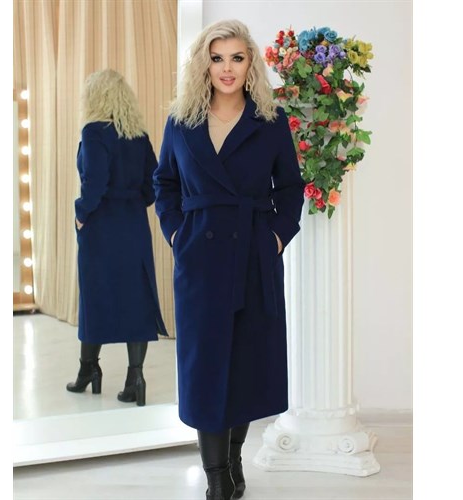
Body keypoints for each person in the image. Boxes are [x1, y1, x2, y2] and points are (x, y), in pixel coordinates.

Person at [153, 20, 305, 500]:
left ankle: (235, 460)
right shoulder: (181, 121)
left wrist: (275, 238)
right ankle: (216, 477)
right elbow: (164, 183)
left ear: (250, 63)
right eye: (217, 58)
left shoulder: (271, 121)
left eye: (236, 58)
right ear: (203, 63)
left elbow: (291, 187)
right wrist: (177, 233)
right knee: (205, 368)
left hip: (254, 256)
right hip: (200, 258)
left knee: (244, 365)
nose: (226, 68)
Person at [67, 68, 168, 406]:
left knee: (95, 296)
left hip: (101, 226)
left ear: (95, 97)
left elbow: (94, 183)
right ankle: (135, 378)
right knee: (136, 297)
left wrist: (81, 213)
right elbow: (154, 182)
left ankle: (88, 369)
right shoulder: (138, 135)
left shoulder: (94, 131)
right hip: (133, 225)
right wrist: (134, 203)